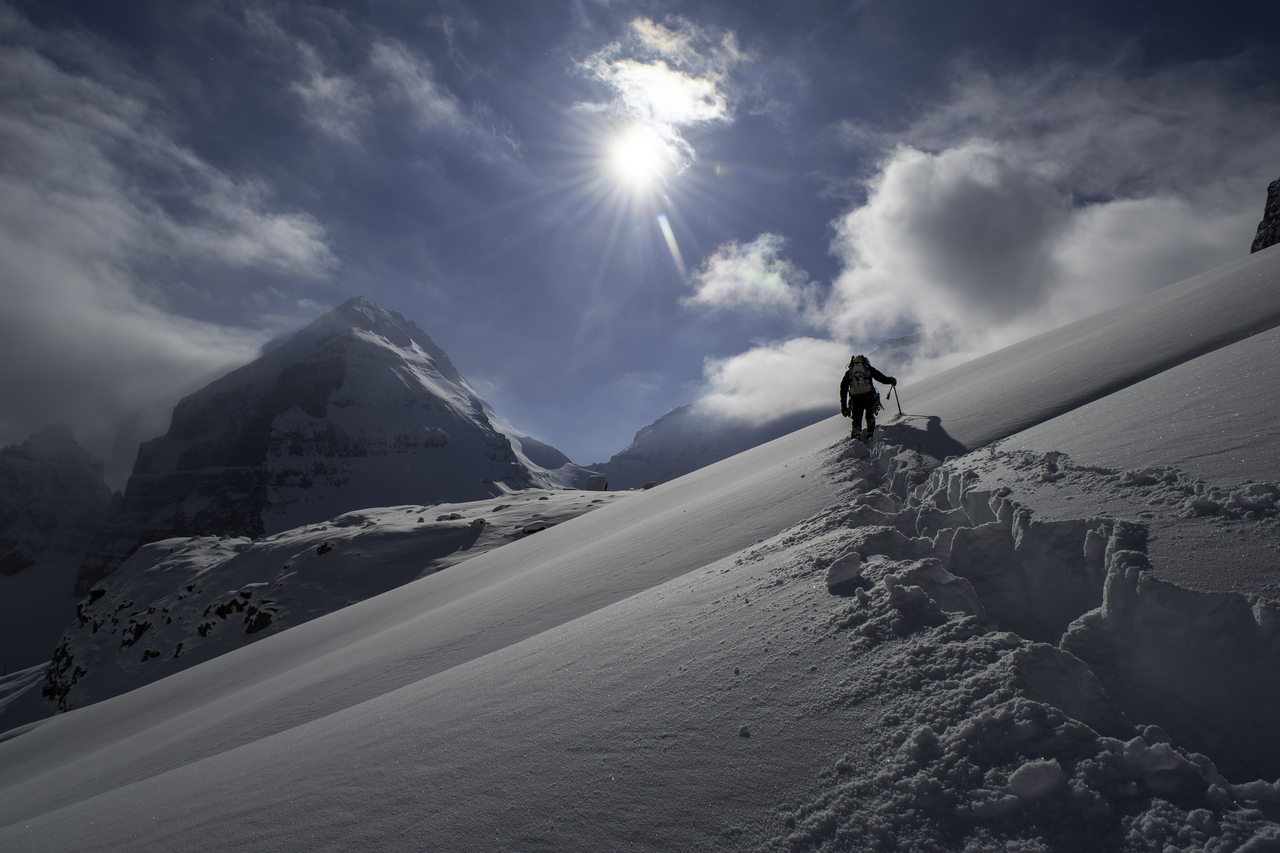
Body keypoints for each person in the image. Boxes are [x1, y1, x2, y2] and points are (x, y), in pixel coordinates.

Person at [840, 354, 896, 441]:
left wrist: (843, 406)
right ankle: (871, 434)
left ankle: (855, 438)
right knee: (869, 415)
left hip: (855, 399)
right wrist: (891, 380)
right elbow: (881, 378)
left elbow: (843, 389)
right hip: (869, 396)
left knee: (856, 418)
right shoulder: (868, 369)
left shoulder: (849, 373)